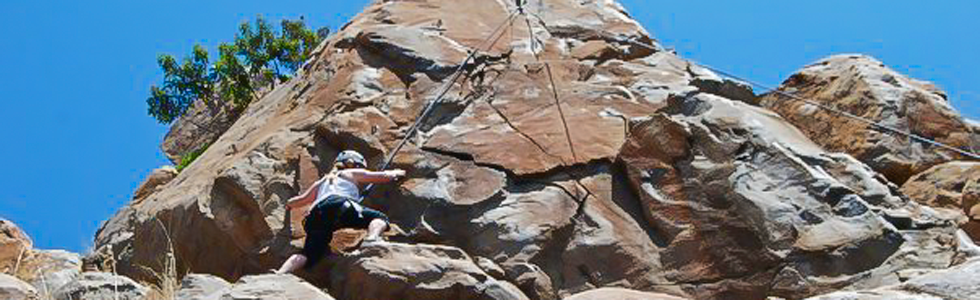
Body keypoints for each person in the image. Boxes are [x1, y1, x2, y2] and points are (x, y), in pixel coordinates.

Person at [275, 150, 406, 274]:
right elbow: (380, 177)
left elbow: (301, 200)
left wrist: (289, 204)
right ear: (353, 164)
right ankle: (372, 239)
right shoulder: (350, 173)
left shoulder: (322, 182)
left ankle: (281, 272)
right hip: (339, 205)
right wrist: (395, 173)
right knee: (378, 218)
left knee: (308, 254)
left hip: (315, 216)